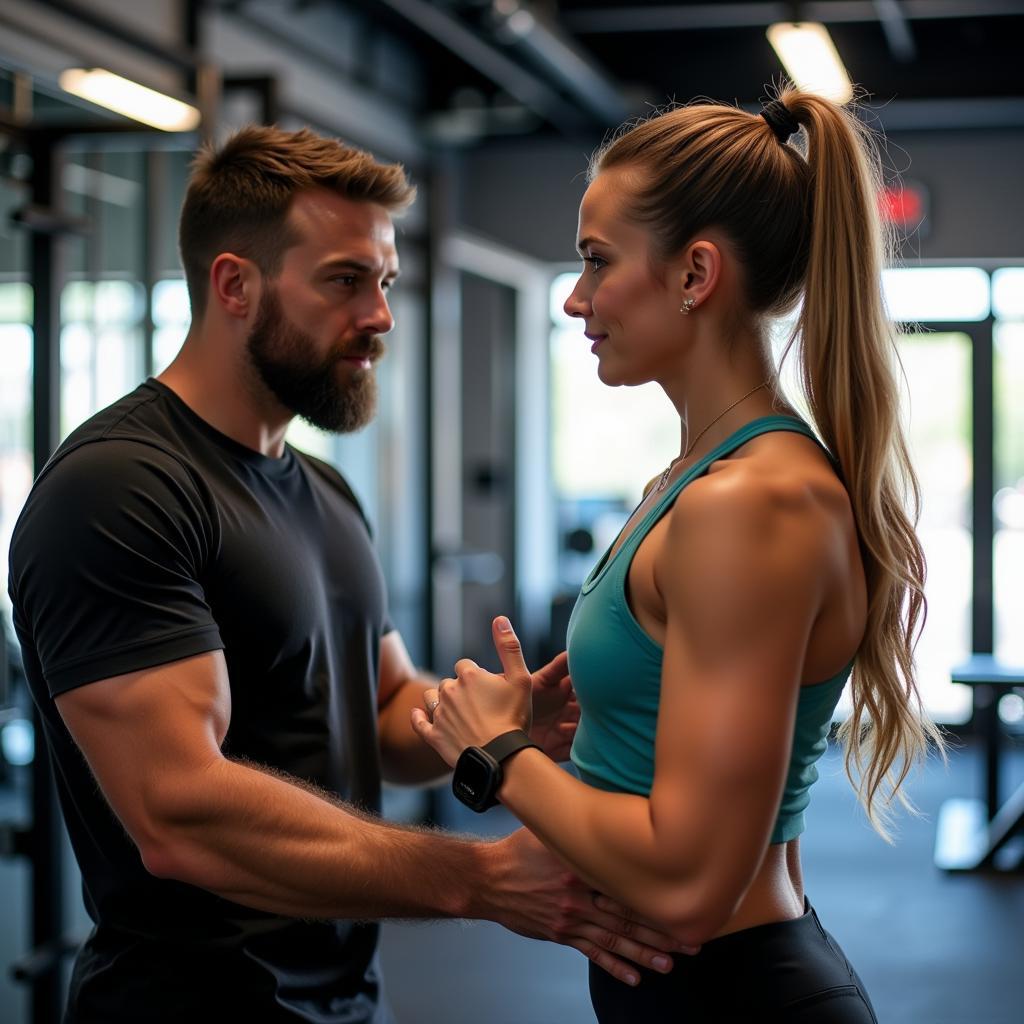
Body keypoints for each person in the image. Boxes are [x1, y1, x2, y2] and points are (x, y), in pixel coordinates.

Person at [6, 125, 686, 1024]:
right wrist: (477, 877)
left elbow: (381, 712)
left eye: (386, 282)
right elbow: (180, 813)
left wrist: (502, 729)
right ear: (235, 285)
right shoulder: (120, 489)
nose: (381, 316)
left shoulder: (321, 491)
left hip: (345, 1000)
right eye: (344, 281)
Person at [413, 89, 945, 1023]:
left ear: (696, 274)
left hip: (740, 992)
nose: (576, 298)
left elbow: (692, 880)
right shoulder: (693, 478)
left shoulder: (751, 501)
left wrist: (495, 756)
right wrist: (564, 730)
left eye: (595, 262)